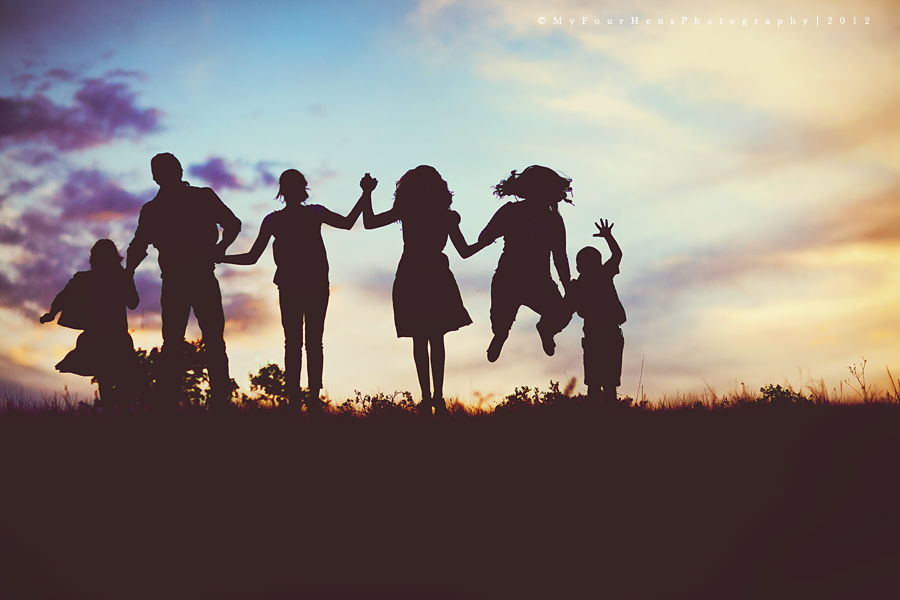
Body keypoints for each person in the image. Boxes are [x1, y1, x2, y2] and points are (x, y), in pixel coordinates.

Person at [220, 169, 371, 411]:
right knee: (312, 343)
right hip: (310, 286)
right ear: (302, 189)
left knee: (295, 343)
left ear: (283, 190)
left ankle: (298, 402)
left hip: (299, 286)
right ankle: (309, 402)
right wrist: (364, 194)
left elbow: (251, 258)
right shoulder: (308, 214)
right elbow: (348, 223)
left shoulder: (276, 219)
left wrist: (220, 256)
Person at [363, 166, 487, 417]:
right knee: (435, 338)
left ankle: (428, 398)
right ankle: (436, 399)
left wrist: (367, 193)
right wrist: (486, 240)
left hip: (412, 274)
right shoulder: (446, 216)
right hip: (433, 275)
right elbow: (464, 251)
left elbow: (369, 222)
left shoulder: (408, 211)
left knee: (421, 339)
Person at [126, 152, 241, 411]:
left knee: (192, 343)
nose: (165, 175)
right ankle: (180, 403)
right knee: (189, 343)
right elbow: (138, 246)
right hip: (183, 280)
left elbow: (233, 224)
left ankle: (208, 403)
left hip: (194, 278)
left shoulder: (193, 199)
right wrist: (127, 273)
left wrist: (220, 249)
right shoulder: (157, 209)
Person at [478, 165, 573, 362]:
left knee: (560, 314)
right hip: (516, 280)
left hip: (525, 280)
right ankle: (502, 334)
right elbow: (560, 258)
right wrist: (567, 288)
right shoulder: (550, 218)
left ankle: (540, 330)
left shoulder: (543, 217)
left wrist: (568, 288)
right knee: (501, 322)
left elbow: (560, 257)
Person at [40, 239, 140, 414]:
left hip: (96, 339)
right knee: (122, 384)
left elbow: (63, 297)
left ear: (94, 259)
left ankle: (112, 419)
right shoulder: (120, 278)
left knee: (105, 382)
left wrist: (52, 313)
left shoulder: (84, 278)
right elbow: (133, 302)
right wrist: (128, 275)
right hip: (117, 338)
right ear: (114, 257)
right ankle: (124, 422)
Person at [566, 219, 626, 404]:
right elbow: (617, 254)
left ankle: (597, 418)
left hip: (596, 334)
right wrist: (608, 236)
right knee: (607, 384)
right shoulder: (602, 274)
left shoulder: (580, 285)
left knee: (596, 383)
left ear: (578, 266)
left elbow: (617, 255)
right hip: (607, 333)